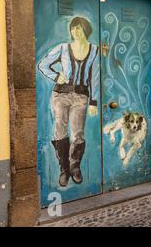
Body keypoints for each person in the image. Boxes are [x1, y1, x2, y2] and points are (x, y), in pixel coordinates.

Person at [38, 17, 99, 187]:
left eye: (78, 28)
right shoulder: (63, 48)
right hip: (61, 95)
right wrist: (57, 76)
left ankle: (75, 165)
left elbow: (94, 78)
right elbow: (43, 65)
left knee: (78, 132)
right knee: (59, 130)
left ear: (85, 30)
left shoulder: (94, 50)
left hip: (81, 96)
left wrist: (93, 101)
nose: (75, 32)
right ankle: (64, 168)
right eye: (73, 29)